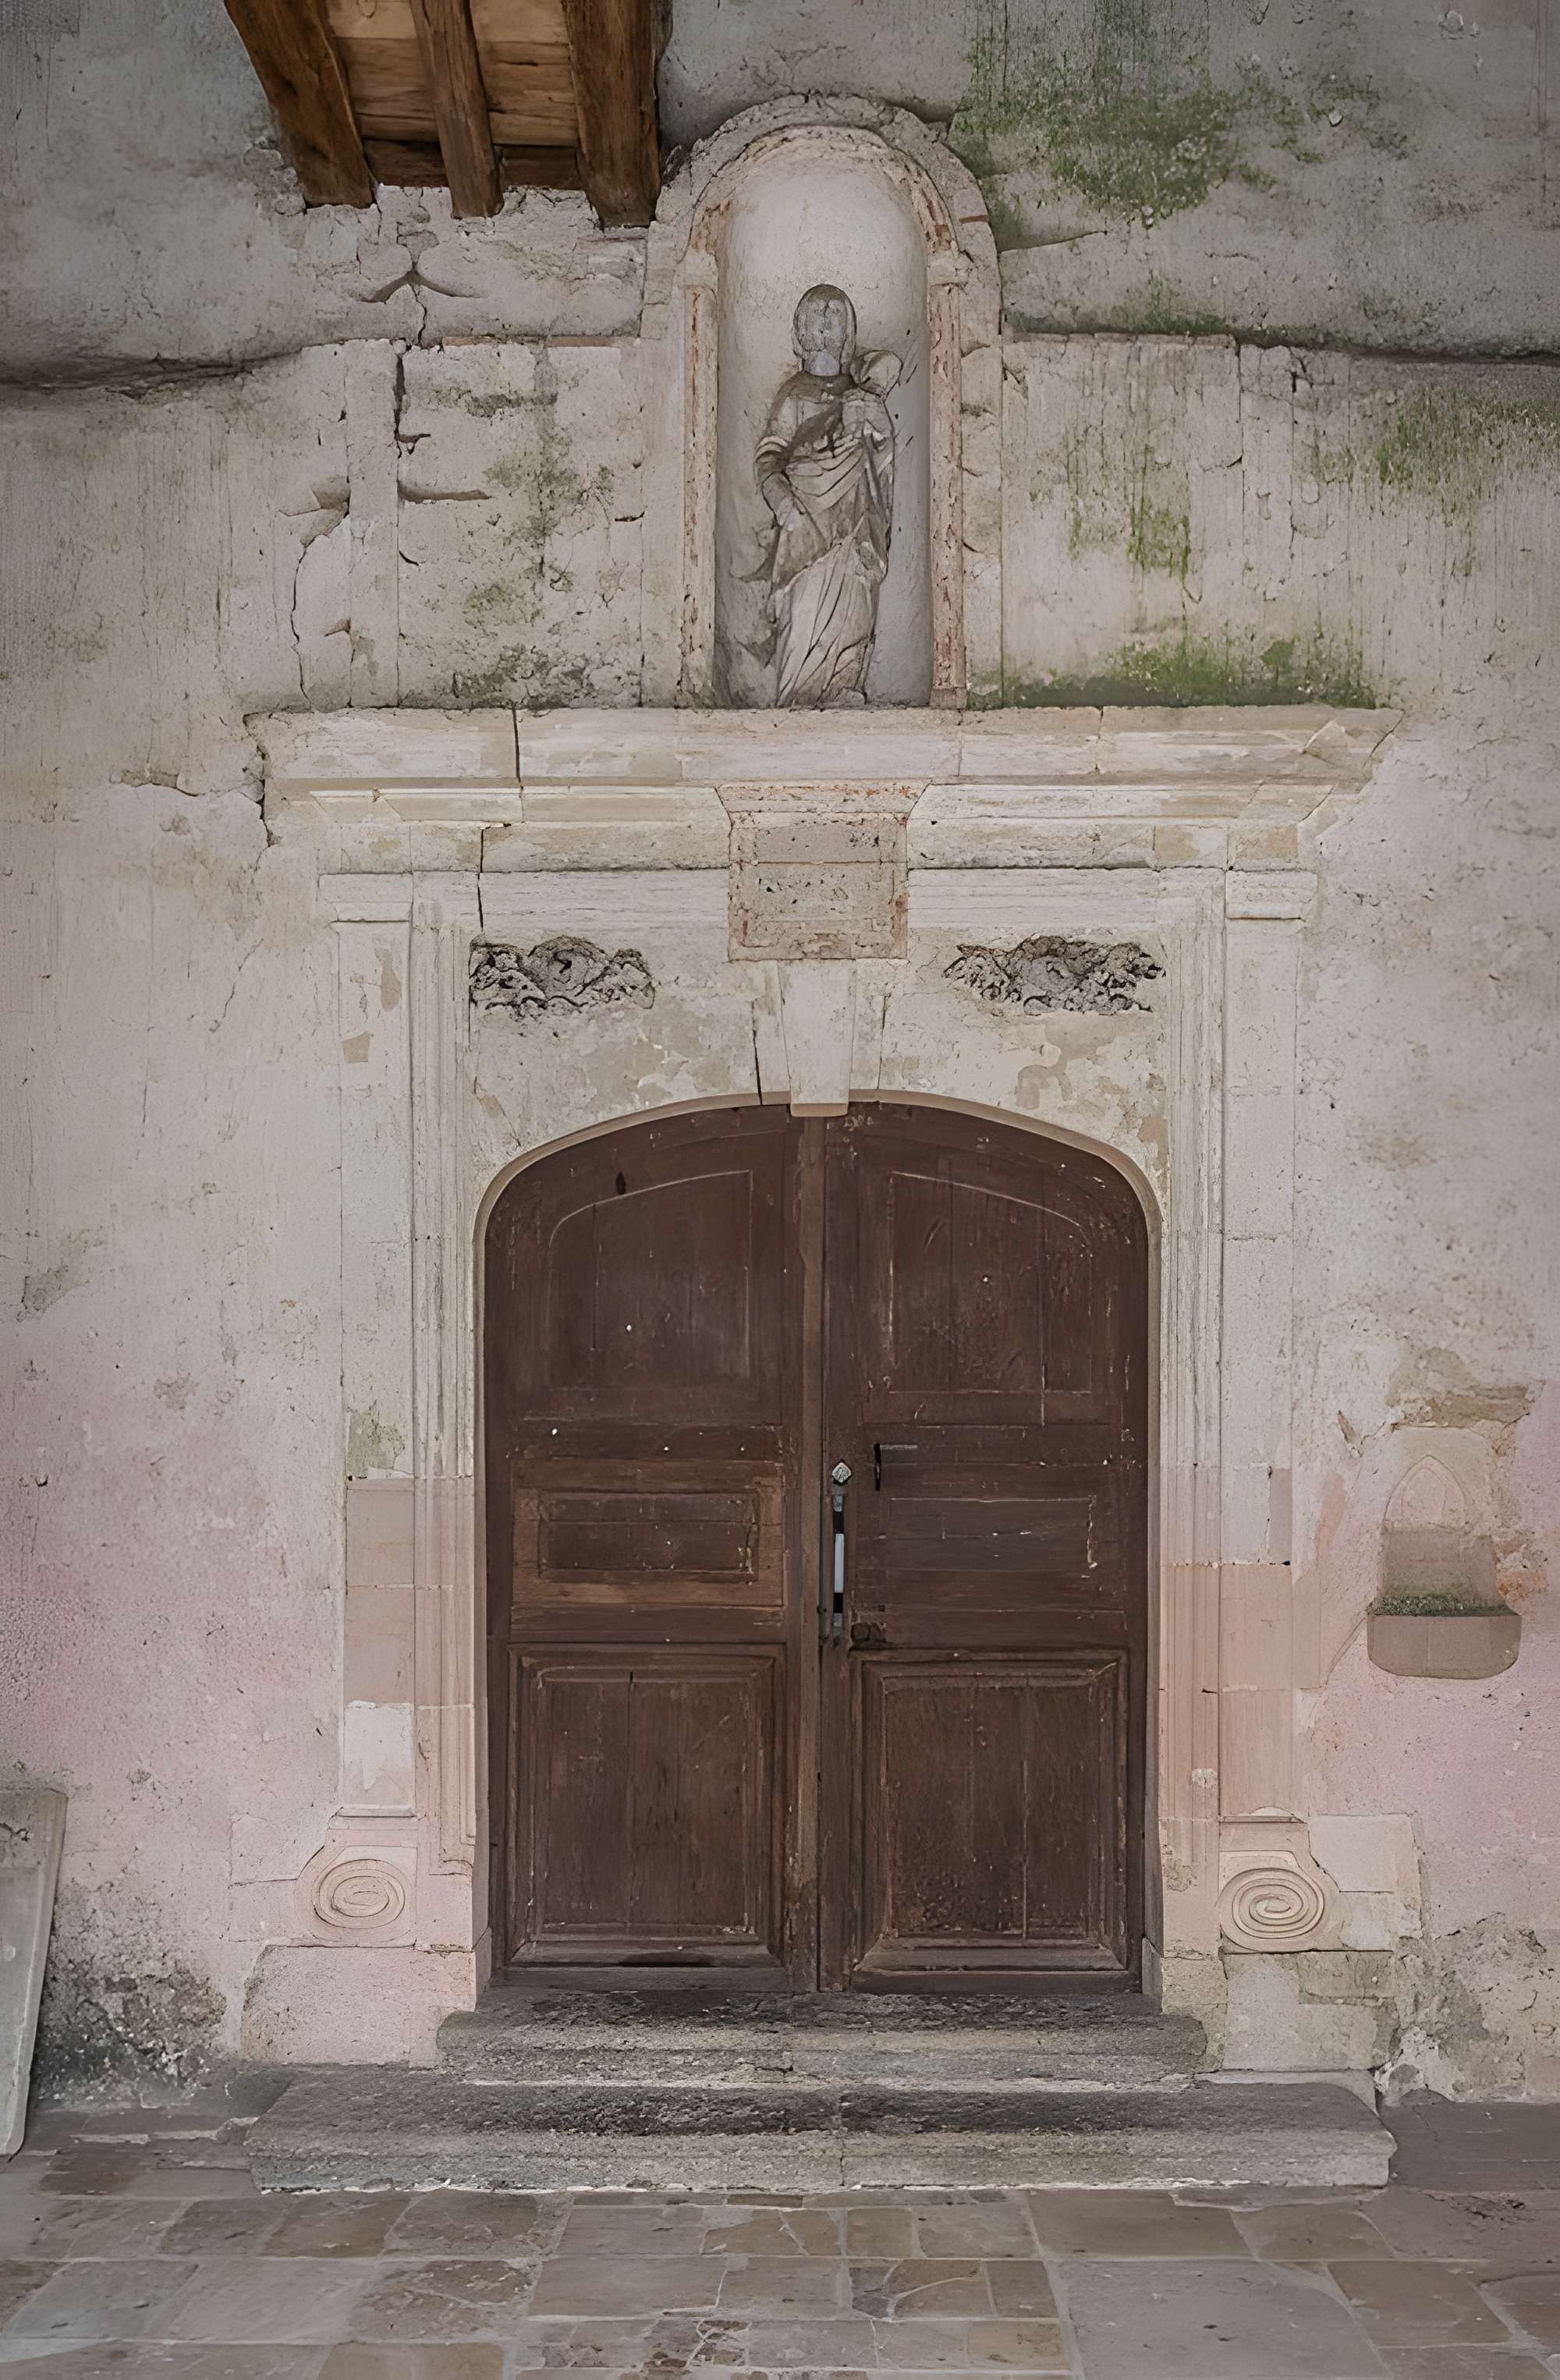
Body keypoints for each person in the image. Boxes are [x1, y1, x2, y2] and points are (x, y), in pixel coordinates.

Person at [755, 284, 901, 707]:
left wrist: (873, 421)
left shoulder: (863, 395)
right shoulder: (794, 394)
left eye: (835, 314)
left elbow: (883, 456)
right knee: (804, 602)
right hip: (803, 517)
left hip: (853, 516)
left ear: (848, 331)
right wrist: (781, 499)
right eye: (816, 314)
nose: (824, 322)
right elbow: (770, 454)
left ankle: (842, 684)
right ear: (801, 330)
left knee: (852, 595)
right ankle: (799, 691)